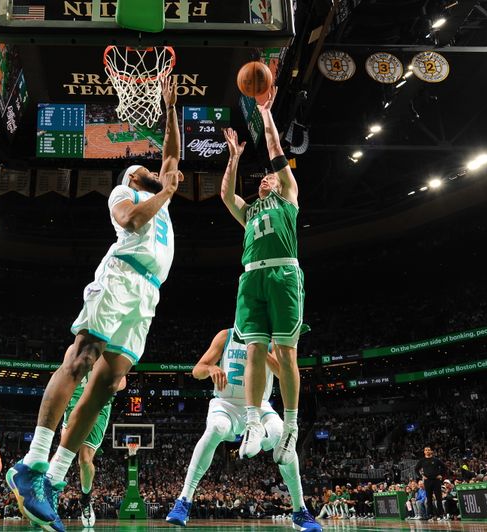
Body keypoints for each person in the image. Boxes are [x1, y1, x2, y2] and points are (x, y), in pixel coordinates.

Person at [5, 76, 182, 532]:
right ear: (132, 175)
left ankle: (54, 484)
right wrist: (162, 192)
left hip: (148, 296)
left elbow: (172, 158)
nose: (153, 170)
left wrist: (171, 108)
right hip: (120, 276)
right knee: (82, 359)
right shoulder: (125, 193)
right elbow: (132, 219)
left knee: (106, 385)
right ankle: (31, 465)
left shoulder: (161, 193)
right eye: (145, 170)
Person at [220, 88, 314, 530]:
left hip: (283, 275)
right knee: (255, 350)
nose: (265, 179)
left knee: (287, 353)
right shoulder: (250, 208)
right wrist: (234, 155)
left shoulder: (289, 198)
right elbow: (225, 195)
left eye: (269, 177)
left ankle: (290, 428)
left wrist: (265, 114)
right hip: (251, 276)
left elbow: (276, 151)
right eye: (261, 178)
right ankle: (255, 421)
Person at [165, 329, 321, 531]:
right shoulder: (225, 336)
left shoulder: (271, 341)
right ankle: (184, 500)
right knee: (216, 428)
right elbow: (197, 370)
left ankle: (299, 511)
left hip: (259, 405)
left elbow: (285, 374)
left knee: (283, 435)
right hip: (225, 403)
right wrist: (211, 369)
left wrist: (259, 348)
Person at [58, 345, 126, 528]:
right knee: (64, 450)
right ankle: (47, 499)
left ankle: (86, 500)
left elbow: (122, 382)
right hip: (75, 401)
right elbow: (64, 375)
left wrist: (104, 386)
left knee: (85, 460)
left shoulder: (113, 352)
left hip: (99, 405)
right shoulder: (74, 348)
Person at [414, 446, 445, 520]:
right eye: (426, 450)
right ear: (424, 452)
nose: (427, 451)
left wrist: (440, 475)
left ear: (431, 451)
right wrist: (421, 476)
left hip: (436, 480)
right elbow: (416, 469)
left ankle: (441, 514)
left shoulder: (436, 460)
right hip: (427, 481)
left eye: (429, 450)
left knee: (438, 498)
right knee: (429, 498)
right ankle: (430, 514)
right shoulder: (422, 460)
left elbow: (444, 467)